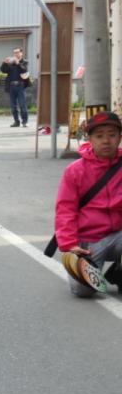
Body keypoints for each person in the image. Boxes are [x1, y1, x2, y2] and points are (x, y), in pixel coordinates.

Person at [54, 111, 122, 296]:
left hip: (118, 237)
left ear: (119, 137)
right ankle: (86, 268)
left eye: (112, 135)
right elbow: (65, 210)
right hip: (88, 243)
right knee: (84, 292)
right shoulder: (75, 171)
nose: (106, 141)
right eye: (99, 136)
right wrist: (70, 245)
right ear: (89, 139)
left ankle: (118, 273)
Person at [0, 48, 30, 128]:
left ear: (21, 53)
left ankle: (25, 122)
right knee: (13, 106)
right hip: (11, 86)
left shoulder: (25, 62)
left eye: (17, 52)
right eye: (14, 53)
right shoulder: (11, 63)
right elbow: (3, 70)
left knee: (22, 105)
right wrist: (4, 63)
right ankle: (16, 122)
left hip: (20, 86)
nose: (16, 54)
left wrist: (18, 63)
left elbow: (24, 70)